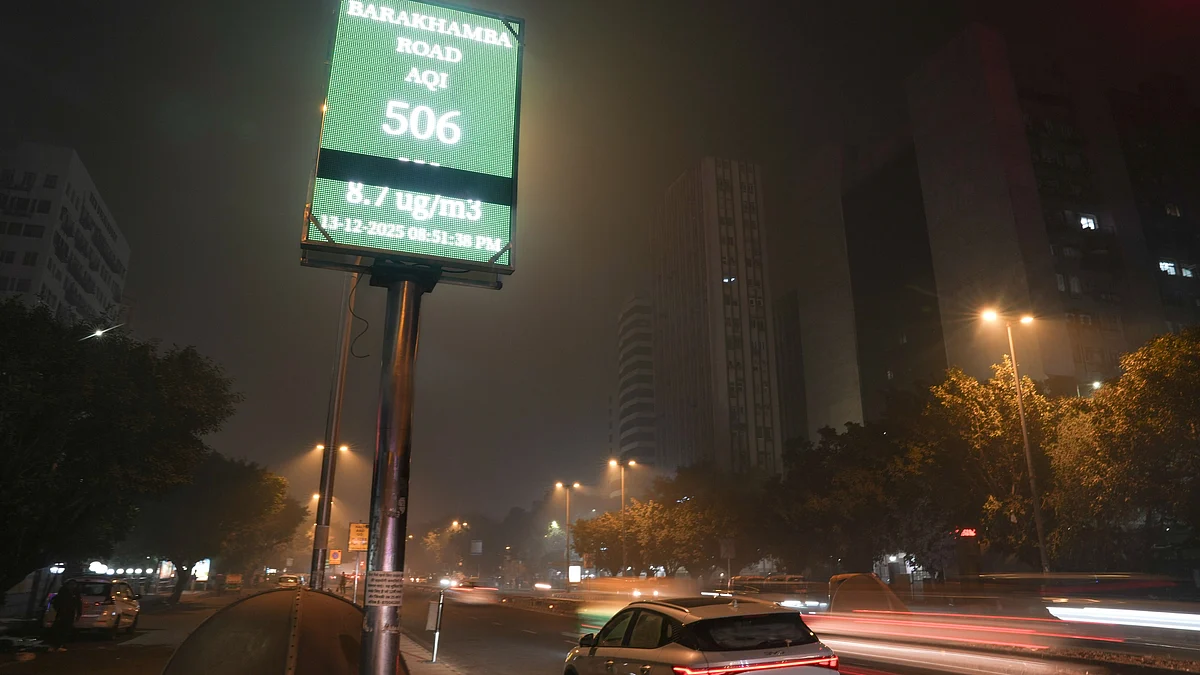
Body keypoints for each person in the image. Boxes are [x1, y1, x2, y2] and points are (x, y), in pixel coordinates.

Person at [47, 580, 82, 651]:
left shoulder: (75, 593)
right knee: (59, 628)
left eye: (74, 585)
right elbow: (57, 602)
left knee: (66, 629)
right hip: (62, 613)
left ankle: (60, 644)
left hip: (69, 613)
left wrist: (78, 613)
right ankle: (56, 644)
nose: (73, 586)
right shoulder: (63, 592)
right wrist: (60, 610)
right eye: (71, 584)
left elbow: (78, 603)